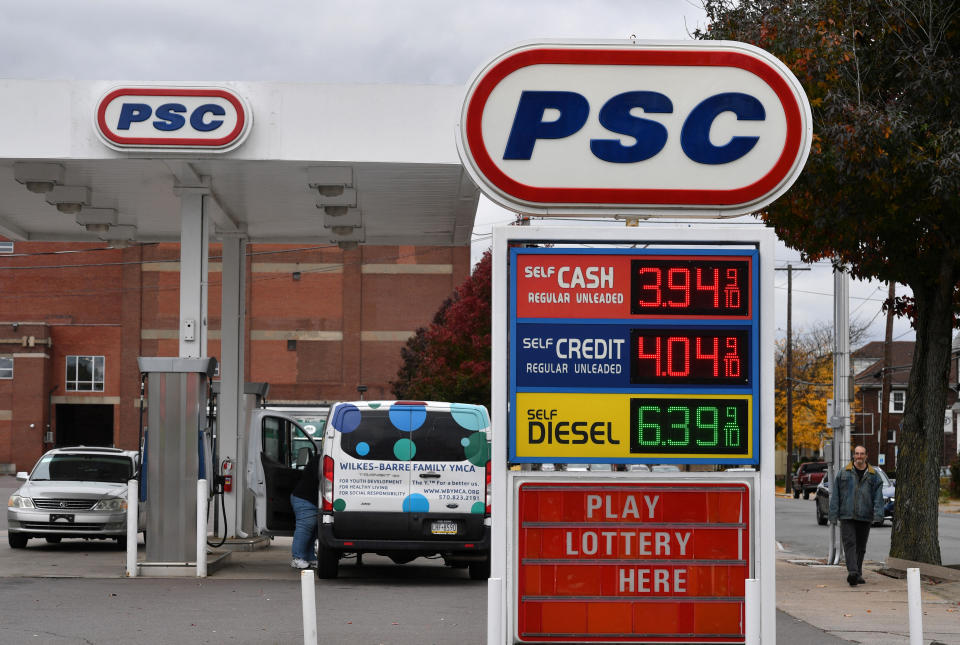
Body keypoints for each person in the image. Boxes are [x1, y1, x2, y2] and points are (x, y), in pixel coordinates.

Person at [828, 445, 884, 586]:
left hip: (865, 516)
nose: (859, 456)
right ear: (853, 455)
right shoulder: (843, 473)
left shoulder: (874, 476)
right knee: (849, 543)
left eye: (862, 454)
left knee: (861, 547)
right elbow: (836, 495)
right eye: (857, 454)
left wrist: (878, 514)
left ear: (866, 456)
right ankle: (852, 572)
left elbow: (878, 498)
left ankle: (857, 573)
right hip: (846, 515)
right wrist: (833, 515)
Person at [290, 452, 320, 569]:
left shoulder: (319, 458)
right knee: (306, 527)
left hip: (304, 498)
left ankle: (309, 557)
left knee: (311, 530)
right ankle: (297, 558)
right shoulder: (320, 460)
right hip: (305, 499)